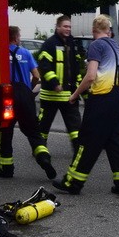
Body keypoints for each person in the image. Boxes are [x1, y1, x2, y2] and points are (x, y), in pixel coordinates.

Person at [52, 15, 119, 196]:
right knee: (117, 140)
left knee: (87, 140)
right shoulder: (117, 46)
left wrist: (74, 95)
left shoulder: (96, 46)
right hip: (118, 98)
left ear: (93, 31)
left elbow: (90, 76)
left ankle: (73, 182)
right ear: (108, 30)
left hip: (101, 99)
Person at [0, 26, 56, 180]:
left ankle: (6, 168)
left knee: (5, 132)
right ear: (15, 37)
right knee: (33, 132)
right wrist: (30, 90)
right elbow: (36, 75)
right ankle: (43, 158)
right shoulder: (25, 52)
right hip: (25, 94)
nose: (20, 37)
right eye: (19, 35)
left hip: (8, 95)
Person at [36, 15, 84, 153]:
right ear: (57, 27)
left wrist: (81, 89)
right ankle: (40, 150)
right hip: (51, 95)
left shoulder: (71, 44)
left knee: (75, 126)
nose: (68, 29)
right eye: (65, 26)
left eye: (69, 26)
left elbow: (76, 68)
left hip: (69, 95)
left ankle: (78, 151)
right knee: (43, 126)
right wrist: (55, 83)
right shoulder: (49, 44)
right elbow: (44, 67)